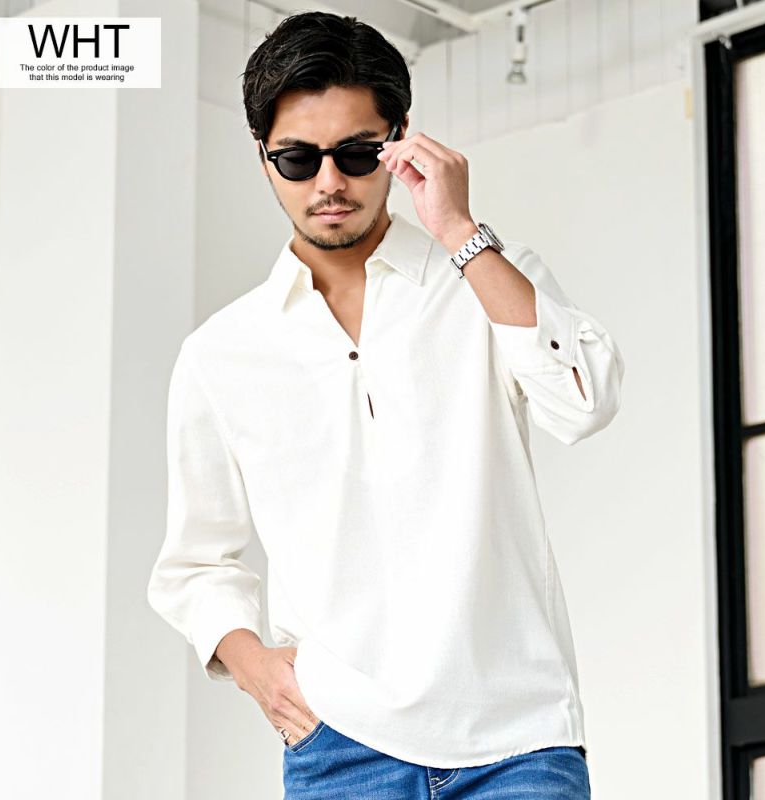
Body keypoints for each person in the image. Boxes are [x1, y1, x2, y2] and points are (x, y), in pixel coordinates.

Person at [147, 10, 624, 799]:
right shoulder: (222, 353)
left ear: (400, 141)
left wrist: (460, 231)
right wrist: (260, 671)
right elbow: (196, 562)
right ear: (264, 159)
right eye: (298, 158)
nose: (329, 183)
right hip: (340, 748)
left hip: (516, 738)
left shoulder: (483, 281)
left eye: (357, 153)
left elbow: (584, 401)